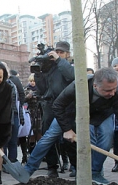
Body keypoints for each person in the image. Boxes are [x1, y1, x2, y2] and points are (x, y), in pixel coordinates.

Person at [24, 67, 118, 185]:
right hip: (70, 112)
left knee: (106, 139)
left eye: (114, 89)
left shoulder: (115, 93)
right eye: (108, 90)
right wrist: (67, 129)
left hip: (101, 114)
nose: (112, 93)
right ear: (95, 86)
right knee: (49, 136)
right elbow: (57, 105)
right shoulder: (78, 85)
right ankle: (28, 170)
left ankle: (95, 173)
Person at [34, 41, 75, 177]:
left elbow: (71, 76)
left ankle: (75, 165)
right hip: (50, 105)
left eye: (61, 52)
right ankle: (52, 167)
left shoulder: (69, 66)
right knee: (47, 136)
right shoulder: (49, 68)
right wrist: (39, 72)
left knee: (70, 137)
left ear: (67, 54)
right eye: (56, 52)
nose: (58, 54)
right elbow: (41, 89)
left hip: (67, 106)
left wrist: (58, 61)